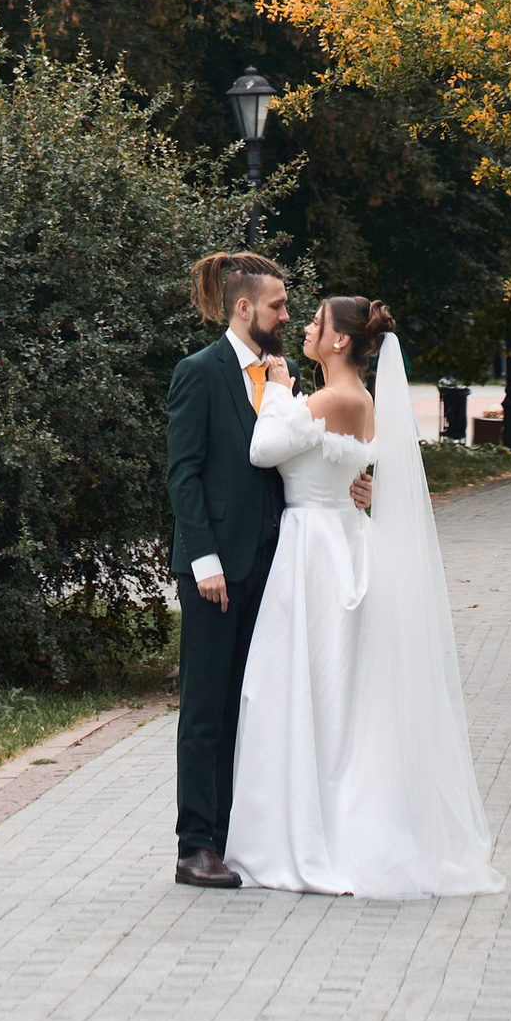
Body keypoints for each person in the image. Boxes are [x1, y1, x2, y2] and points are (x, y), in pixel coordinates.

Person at [224, 294, 503, 899]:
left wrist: (276, 388)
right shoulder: (355, 399)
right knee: (328, 693)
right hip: (330, 538)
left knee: (316, 692)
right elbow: (341, 467)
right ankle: (315, 819)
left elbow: (263, 450)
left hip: (318, 550)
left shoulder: (334, 397)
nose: (305, 326)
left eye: (316, 321)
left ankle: (317, 832)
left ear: (340, 340)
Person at [163, 247, 293, 887]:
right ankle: (195, 848)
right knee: (207, 709)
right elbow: (182, 475)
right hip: (213, 571)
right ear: (245, 308)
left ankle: (230, 833)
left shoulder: (280, 376)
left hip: (269, 566)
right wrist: (205, 559)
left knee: (248, 706)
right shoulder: (199, 371)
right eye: (278, 305)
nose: (286, 316)